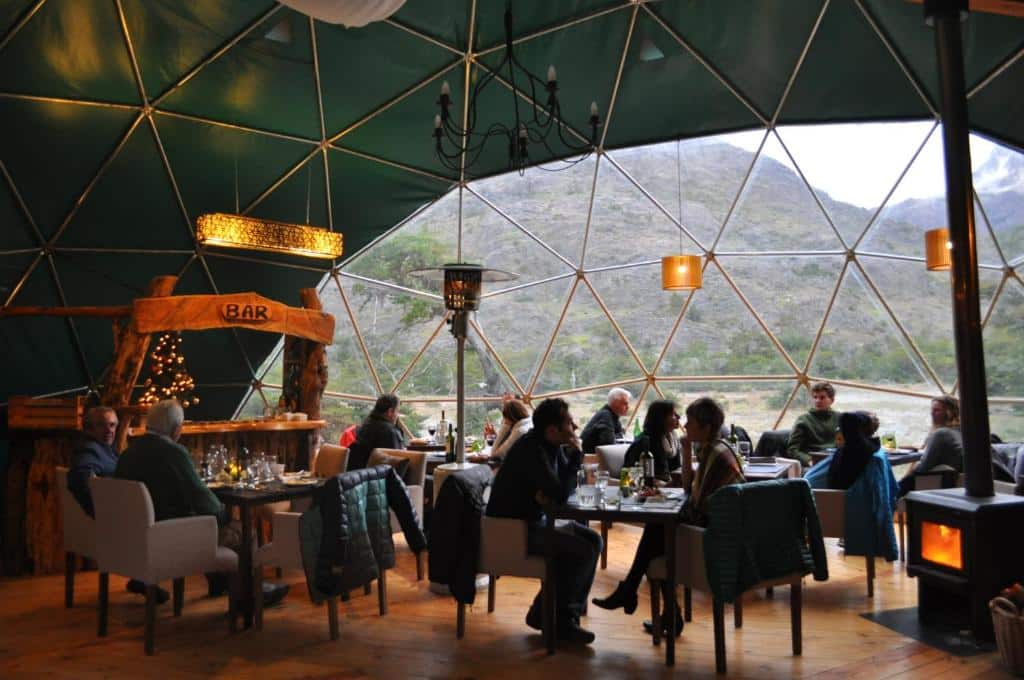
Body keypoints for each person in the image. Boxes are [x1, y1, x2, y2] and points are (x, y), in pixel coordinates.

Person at [592, 397, 745, 637]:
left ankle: (632, 591)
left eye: (690, 422)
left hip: (715, 537)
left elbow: (696, 504)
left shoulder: (714, 454)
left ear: (705, 428)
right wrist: (685, 451)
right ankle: (662, 612)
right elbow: (689, 491)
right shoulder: (713, 448)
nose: (684, 424)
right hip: (719, 528)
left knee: (657, 533)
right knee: (658, 536)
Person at [115, 400, 287, 605]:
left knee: (211, 524)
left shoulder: (127, 454)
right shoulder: (173, 453)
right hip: (171, 538)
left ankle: (221, 583)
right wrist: (224, 516)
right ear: (176, 428)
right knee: (242, 532)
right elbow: (205, 503)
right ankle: (250, 594)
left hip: (138, 537)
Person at [486, 398, 602, 645]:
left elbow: (559, 490)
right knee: (580, 550)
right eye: (570, 423)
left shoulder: (549, 446)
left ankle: (548, 613)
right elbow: (560, 494)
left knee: (593, 539)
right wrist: (578, 455)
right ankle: (562, 621)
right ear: (553, 430)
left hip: (532, 522)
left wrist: (559, 481)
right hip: (513, 531)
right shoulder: (532, 450)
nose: (576, 427)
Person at [68, 406, 164, 602]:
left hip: (119, 515)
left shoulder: (105, 449)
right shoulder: (90, 450)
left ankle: (142, 577)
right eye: (101, 426)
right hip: (112, 521)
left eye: (112, 425)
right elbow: (79, 478)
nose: (109, 430)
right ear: (88, 429)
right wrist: (100, 512)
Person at [898, 396, 963, 497]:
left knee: (898, 486)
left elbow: (924, 467)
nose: (932, 413)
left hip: (937, 484)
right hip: (956, 484)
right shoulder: (962, 430)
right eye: (932, 410)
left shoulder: (941, 433)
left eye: (937, 410)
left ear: (949, 413)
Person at [623, 400, 682, 482]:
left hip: (669, 488)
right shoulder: (644, 443)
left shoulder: (673, 439)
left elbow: (677, 470)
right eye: (673, 414)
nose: (679, 417)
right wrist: (655, 483)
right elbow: (631, 476)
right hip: (649, 490)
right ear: (661, 418)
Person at [786, 381, 839, 467]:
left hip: (836, 460)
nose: (817, 401)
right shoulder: (803, 420)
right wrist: (809, 460)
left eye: (822, 397)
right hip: (814, 461)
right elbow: (792, 449)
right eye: (815, 397)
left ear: (832, 400)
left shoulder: (840, 418)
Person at [347, 394, 406, 470]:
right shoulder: (390, 431)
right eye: (397, 411)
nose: (397, 416)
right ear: (390, 411)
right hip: (378, 476)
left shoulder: (366, 425)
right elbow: (398, 462)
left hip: (357, 474)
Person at [827, 411, 881, 490]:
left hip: (836, 496)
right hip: (847, 494)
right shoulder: (870, 446)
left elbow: (845, 417)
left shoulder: (856, 447)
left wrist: (866, 418)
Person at [580, 387, 630, 452]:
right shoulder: (606, 416)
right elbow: (609, 445)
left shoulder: (612, 416)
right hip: (590, 458)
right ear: (615, 402)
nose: (628, 407)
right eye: (625, 403)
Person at [489, 398, 532, 462]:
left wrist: (505, 426)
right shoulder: (529, 423)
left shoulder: (519, 432)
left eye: (505, 418)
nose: (504, 421)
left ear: (510, 417)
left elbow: (494, 455)